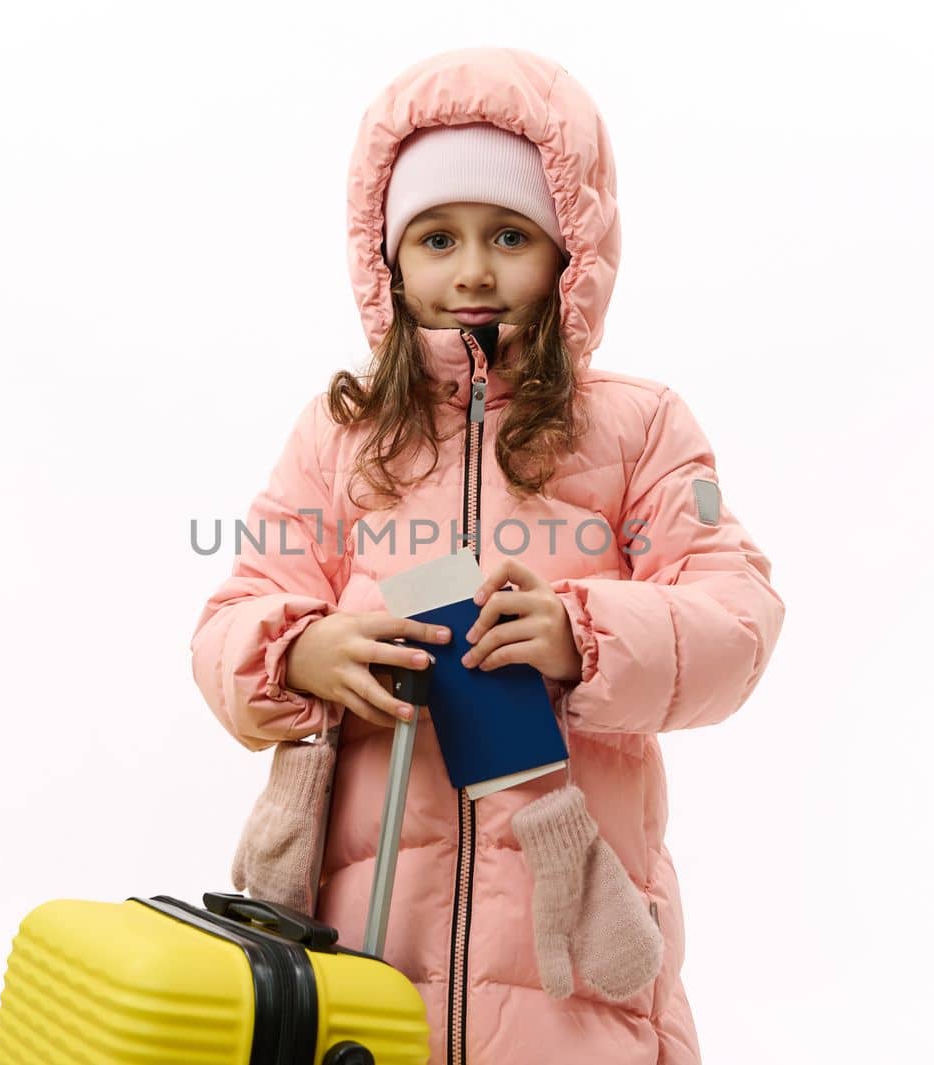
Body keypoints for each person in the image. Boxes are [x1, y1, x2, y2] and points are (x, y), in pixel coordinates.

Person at [191, 46, 786, 1065]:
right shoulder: (340, 435)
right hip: (370, 938)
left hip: (571, 949)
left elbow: (736, 620)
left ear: (570, 250)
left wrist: (582, 635)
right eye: (436, 237)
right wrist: (298, 653)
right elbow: (232, 617)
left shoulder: (638, 429)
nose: (471, 270)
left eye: (508, 234)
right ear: (388, 260)